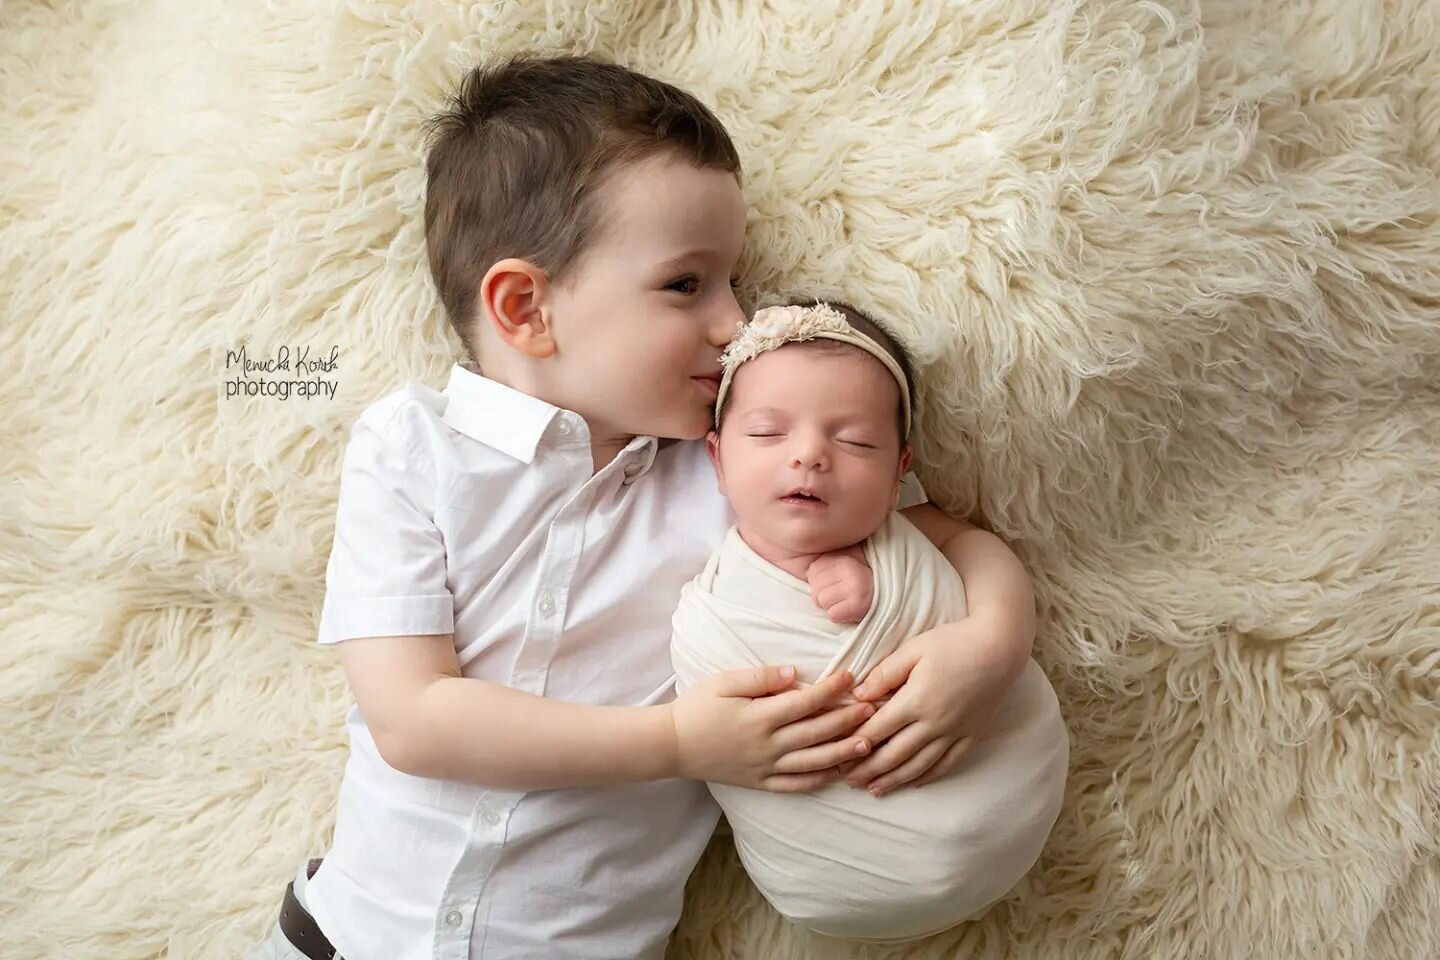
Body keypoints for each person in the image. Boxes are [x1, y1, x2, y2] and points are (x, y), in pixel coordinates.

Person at [246, 53, 1039, 960]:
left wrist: (990, 643)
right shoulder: (409, 451)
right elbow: (415, 717)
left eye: (732, 281)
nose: (736, 322)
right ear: (525, 308)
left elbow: (956, 540)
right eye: (686, 284)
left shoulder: (732, 471)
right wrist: (677, 741)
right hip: (344, 939)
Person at [670, 301, 1069, 942]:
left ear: (896, 476)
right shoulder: (711, 608)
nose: (808, 456)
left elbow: (979, 548)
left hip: (1005, 791)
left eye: (855, 442)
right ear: (717, 460)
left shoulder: (903, 533)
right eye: (769, 433)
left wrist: (993, 641)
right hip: (825, 875)